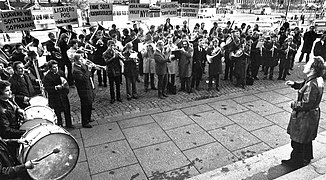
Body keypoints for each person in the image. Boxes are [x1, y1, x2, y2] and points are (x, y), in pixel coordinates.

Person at [282, 56, 325, 168]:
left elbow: (307, 103)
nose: (306, 65)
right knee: (307, 138)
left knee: (297, 140)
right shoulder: (316, 79)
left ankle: (296, 161)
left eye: (308, 64)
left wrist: (293, 105)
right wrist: (295, 85)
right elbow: (304, 85)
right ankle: (307, 156)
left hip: (305, 116)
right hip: (311, 115)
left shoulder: (312, 84)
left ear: (313, 69)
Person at [43, 60, 74, 128]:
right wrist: (55, 88)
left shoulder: (61, 73)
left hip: (63, 95)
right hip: (55, 97)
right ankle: (60, 125)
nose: (56, 68)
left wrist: (65, 88)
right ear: (50, 68)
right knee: (57, 112)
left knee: (67, 109)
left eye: (56, 66)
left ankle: (69, 124)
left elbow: (66, 83)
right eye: (54, 67)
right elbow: (47, 88)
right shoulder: (47, 77)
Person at [72, 54, 93, 128]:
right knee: (85, 104)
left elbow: (86, 70)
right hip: (83, 89)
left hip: (88, 86)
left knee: (90, 102)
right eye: (80, 60)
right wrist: (89, 70)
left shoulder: (81, 65)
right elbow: (83, 79)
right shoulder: (75, 70)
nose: (82, 61)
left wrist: (89, 67)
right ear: (75, 61)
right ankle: (85, 122)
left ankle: (88, 118)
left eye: (82, 59)